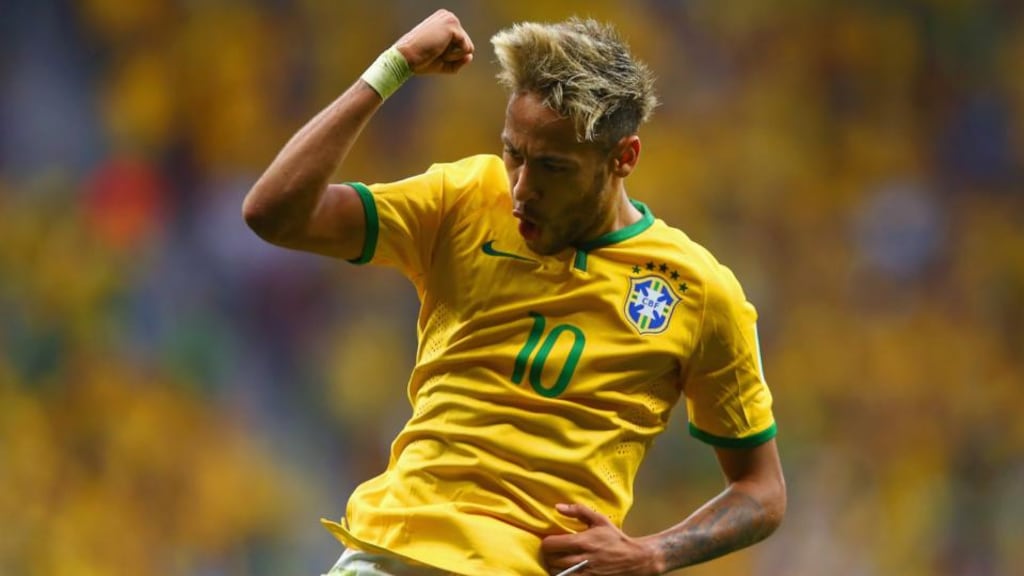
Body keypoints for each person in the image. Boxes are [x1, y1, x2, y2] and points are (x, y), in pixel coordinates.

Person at [242, 9, 786, 576]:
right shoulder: (464, 198)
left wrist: (653, 553)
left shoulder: (696, 291)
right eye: (514, 155)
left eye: (552, 167)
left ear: (623, 158)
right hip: (397, 550)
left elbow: (762, 489)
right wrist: (392, 67)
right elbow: (275, 214)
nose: (521, 189)